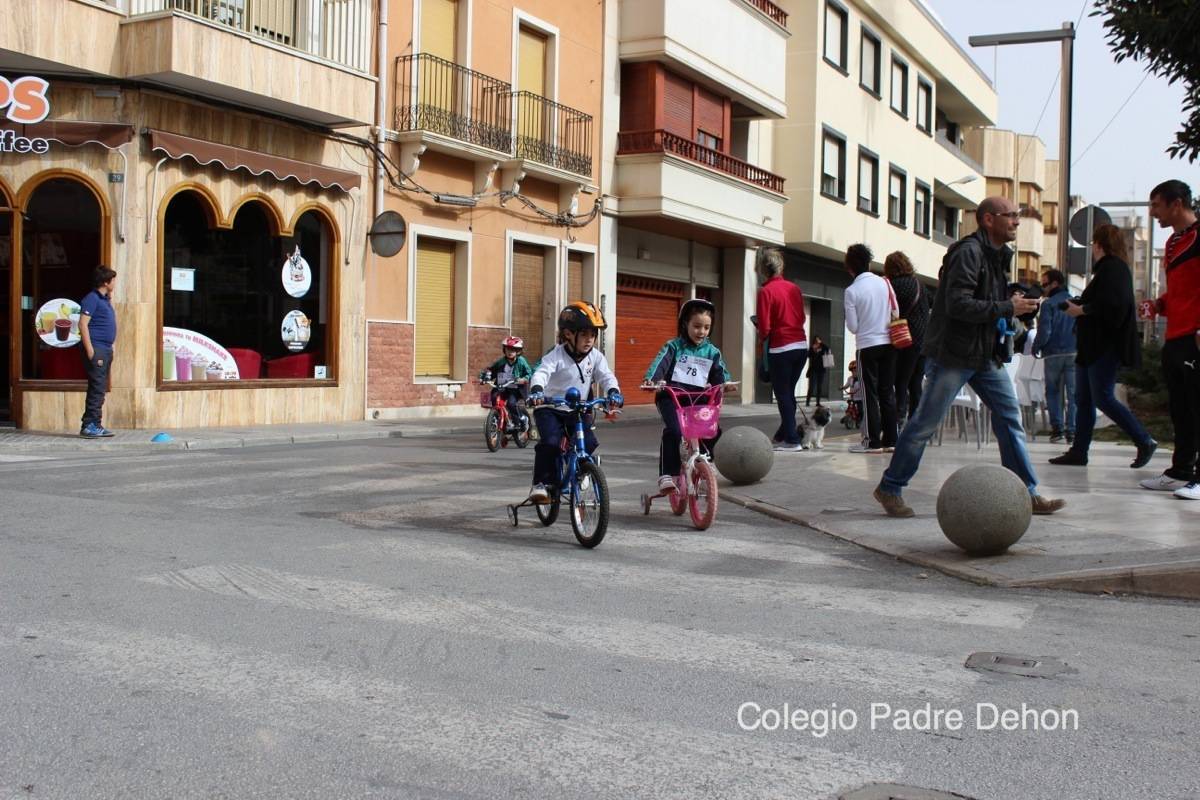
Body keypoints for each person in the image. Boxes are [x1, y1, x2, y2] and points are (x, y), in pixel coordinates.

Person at [872, 196, 1066, 518]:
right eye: (1011, 215)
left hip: (984, 355)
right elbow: (958, 304)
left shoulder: (996, 256)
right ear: (989, 220)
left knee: (1009, 419)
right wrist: (1007, 307)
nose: (1017, 221)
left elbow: (982, 300)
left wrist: (1010, 302)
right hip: (954, 354)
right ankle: (890, 487)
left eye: (1017, 216)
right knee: (924, 424)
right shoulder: (969, 252)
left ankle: (1027, 492)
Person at [1048, 225, 1157, 469]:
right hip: (1092, 345)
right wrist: (1076, 305)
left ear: (1099, 245)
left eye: (1093, 244)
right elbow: (1102, 301)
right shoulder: (1109, 270)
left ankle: (1144, 440)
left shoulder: (1113, 269)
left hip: (1104, 346)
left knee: (1103, 397)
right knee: (1084, 399)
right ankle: (1079, 451)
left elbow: (1114, 304)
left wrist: (1082, 310)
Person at [525, 301, 623, 504]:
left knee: (588, 442)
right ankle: (541, 483)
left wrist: (613, 392)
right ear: (569, 334)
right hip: (550, 407)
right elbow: (542, 373)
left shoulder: (595, 357)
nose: (590, 340)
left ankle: (579, 468)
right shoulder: (556, 355)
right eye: (585, 334)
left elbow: (606, 376)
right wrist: (536, 391)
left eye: (593, 335)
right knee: (550, 443)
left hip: (578, 409)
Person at [1142, 179, 1200, 500]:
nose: (1153, 213)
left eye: (1156, 205)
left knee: (1198, 405)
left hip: (1195, 335)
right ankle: (1181, 471)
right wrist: (1160, 304)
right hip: (1175, 334)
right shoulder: (1174, 242)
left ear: (1176, 204)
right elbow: (1184, 288)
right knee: (1180, 407)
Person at [643, 299, 732, 495]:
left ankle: (705, 459)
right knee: (674, 432)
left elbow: (720, 374)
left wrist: (726, 384)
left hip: (697, 398)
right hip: (671, 398)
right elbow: (660, 364)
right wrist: (652, 380)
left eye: (706, 327)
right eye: (697, 326)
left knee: (713, 431)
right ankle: (667, 474)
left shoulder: (712, 352)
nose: (702, 331)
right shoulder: (673, 346)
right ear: (685, 324)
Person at [843, 243, 897, 453]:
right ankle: (891, 440)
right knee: (887, 392)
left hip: (867, 346)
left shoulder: (852, 291)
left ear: (850, 267)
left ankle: (872, 441)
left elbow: (853, 326)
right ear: (869, 262)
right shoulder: (885, 283)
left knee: (869, 394)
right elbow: (896, 310)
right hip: (889, 344)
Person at [754, 248, 808, 452]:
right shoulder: (794, 288)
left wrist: (761, 337)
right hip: (800, 345)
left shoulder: (766, 292)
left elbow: (765, 327)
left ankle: (792, 439)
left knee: (783, 394)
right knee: (789, 393)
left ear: (762, 269)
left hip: (781, 347)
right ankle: (783, 434)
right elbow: (801, 318)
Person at [883, 251, 931, 425]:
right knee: (916, 383)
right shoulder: (920, 285)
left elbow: (889, 311)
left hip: (905, 339)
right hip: (923, 341)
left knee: (900, 381)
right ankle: (916, 421)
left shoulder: (893, 285)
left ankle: (899, 417)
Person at [1033, 269, 1077, 444]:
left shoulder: (1048, 304)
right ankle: (1071, 430)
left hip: (1052, 353)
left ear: (1055, 284)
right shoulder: (1076, 302)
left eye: (1045, 284)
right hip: (1074, 352)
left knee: (1053, 392)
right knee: (1073, 394)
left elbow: (1045, 330)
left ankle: (1057, 429)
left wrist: (1037, 346)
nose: (1043, 288)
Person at [78, 265, 118, 438]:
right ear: (105, 282)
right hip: (97, 349)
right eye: (113, 280)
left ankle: (95, 424)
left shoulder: (104, 300)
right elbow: (82, 324)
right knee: (96, 388)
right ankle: (89, 425)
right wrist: (90, 350)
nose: (115, 283)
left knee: (100, 388)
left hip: (106, 349)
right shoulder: (92, 299)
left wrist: (112, 345)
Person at [482, 335, 533, 430]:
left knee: (511, 403)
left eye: (513, 350)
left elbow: (529, 373)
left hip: (515, 389)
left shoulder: (521, 361)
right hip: (502, 387)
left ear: (518, 351)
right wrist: (484, 377)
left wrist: (523, 379)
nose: (510, 352)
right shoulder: (501, 361)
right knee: (494, 397)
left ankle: (520, 419)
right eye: (508, 349)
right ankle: (497, 418)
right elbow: (491, 370)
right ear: (504, 350)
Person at [805, 336, 831, 406]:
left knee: (819, 387)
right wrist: (813, 350)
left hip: (821, 370)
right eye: (816, 340)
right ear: (814, 341)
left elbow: (828, 348)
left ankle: (818, 402)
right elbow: (809, 355)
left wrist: (821, 344)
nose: (818, 341)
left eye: (819, 340)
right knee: (811, 387)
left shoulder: (822, 347)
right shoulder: (812, 348)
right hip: (813, 370)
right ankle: (807, 402)